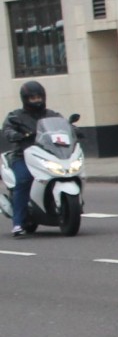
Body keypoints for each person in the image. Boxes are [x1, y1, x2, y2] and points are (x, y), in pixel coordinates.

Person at [4, 81, 61, 238]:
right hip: (23, 155)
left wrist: (74, 130)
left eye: (39, 97)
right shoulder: (16, 116)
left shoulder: (51, 115)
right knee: (24, 180)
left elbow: (63, 126)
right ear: (25, 99)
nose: (37, 101)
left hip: (48, 154)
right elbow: (7, 129)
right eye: (33, 98)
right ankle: (18, 223)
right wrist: (15, 135)